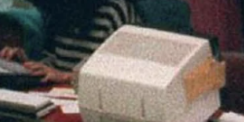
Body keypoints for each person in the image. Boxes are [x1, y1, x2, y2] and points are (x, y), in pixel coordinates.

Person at [0, 0, 140, 86]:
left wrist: (66, 77)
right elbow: (54, 63)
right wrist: (25, 66)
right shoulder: (59, 12)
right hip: (55, 101)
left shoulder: (115, 11)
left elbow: (124, 77)